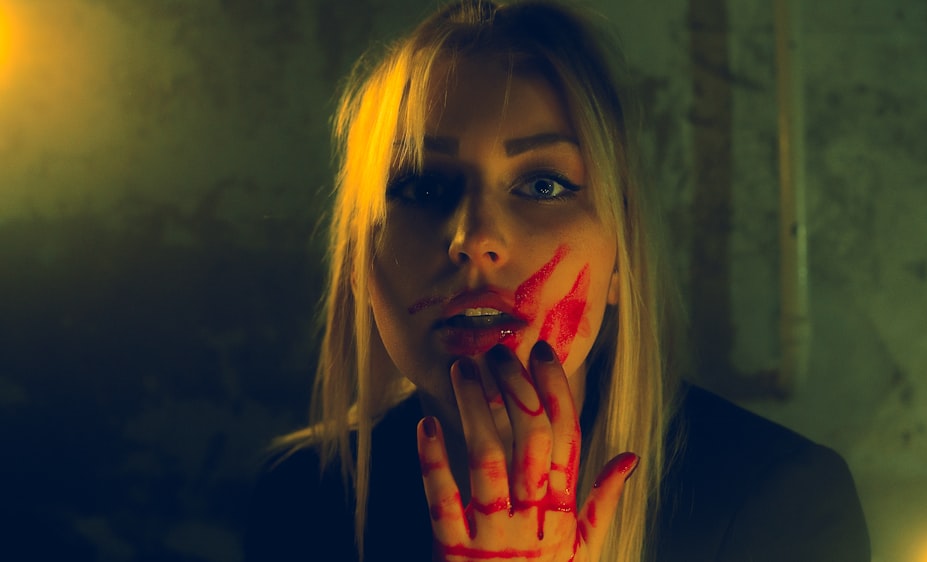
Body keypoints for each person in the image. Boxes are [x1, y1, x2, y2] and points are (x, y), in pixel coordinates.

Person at [245, 1, 871, 560]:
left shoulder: (778, 504)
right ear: (360, 260)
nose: (474, 237)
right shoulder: (301, 501)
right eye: (425, 187)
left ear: (621, 259)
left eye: (543, 185)